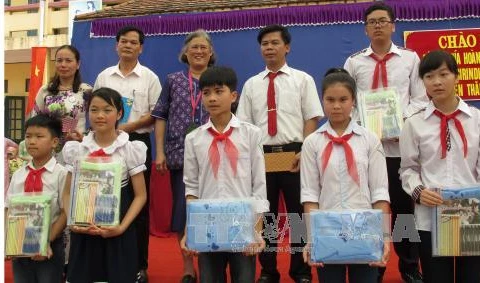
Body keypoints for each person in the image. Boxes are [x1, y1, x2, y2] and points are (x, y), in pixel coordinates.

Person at [343, 3, 428, 282]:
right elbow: (349, 103)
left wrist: (399, 121)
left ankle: (408, 265)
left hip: (402, 149)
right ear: (365, 28)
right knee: (372, 209)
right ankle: (373, 264)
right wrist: (367, 127)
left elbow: (419, 98)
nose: (378, 25)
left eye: (383, 21)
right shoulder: (354, 62)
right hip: (368, 149)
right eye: (372, 22)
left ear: (393, 25)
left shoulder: (410, 58)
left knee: (405, 211)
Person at [236, 24, 323, 283]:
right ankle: (268, 270)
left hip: (295, 155)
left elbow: (312, 118)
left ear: (287, 47)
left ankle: (301, 270)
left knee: (297, 216)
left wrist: (304, 152)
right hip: (263, 156)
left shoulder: (302, 79)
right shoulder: (252, 85)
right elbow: (245, 125)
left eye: (275, 43)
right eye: (265, 44)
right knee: (267, 217)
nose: (269, 47)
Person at [300, 68, 391, 283]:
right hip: (327, 230)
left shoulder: (369, 140)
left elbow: (379, 192)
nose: (337, 105)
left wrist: (384, 237)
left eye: (343, 99)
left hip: (364, 229)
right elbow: (310, 194)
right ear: (322, 100)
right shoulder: (312, 142)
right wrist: (312, 238)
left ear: (354, 101)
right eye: (330, 99)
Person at [180, 66, 269, 282]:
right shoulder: (194, 139)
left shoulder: (251, 134)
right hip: (207, 224)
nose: (212, 98)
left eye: (219, 91)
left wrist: (257, 230)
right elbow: (191, 187)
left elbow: (259, 185)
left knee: (244, 278)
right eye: (207, 92)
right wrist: (189, 231)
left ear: (234, 96)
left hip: (243, 224)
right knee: (210, 278)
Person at [399, 50, 480, 283]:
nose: (436, 81)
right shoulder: (414, 124)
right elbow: (408, 169)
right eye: (429, 76)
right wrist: (419, 192)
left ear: (457, 76)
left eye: (443, 74)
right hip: (430, 216)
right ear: (423, 82)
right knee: (437, 277)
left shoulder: (476, 120)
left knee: (472, 277)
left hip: (471, 214)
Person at [94, 26, 161, 283]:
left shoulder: (149, 78)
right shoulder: (104, 76)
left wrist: (125, 127)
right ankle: (105, 263)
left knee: (138, 206)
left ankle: (138, 266)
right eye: (124, 41)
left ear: (141, 48)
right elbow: (95, 109)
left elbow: (155, 115)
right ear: (116, 45)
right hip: (106, 142)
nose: (128, 46)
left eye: (134, 42)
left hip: (136, 142)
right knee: (105, 201)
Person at [62, 87, 147, 283]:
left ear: (119, 113)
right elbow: (67, 192)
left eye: (107, 110)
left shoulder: (129, 149)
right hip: (84, 233)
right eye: (94, 110)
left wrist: (121, 227)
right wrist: (73, 222)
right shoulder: (77, 150)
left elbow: (140, 195)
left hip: (118, 233)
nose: (100, 115)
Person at [151, 29, 214, 283]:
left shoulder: (218, 79)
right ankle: (188, 267)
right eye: (193, 47)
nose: (198, 51)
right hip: (179, 155)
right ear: (185, 53)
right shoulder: (173, 80)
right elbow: (160, 117)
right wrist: (160, 152)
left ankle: (211, 263)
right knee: (182, 213)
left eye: (203, 47)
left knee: (210, 210)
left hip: (213, 156)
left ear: (211, 54)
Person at [5, 114, 67, 283]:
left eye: (39, 136)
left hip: (50, 245)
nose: (32, 141)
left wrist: (46, 241)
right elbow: (8, 208)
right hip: (20, 242)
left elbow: (65, 212)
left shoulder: (61, 174)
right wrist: (8, 240)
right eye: (28, 136)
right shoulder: (19, 174)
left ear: (54, 142)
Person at [32, 45, 91, 148]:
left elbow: (97, 120)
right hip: (49, 148)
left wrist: (84, 137)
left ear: (78, 64)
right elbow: (35, 121)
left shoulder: (86, 91)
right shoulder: (45, 91)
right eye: (59, 60)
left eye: (68, 61)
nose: (63, 65)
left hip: (78, 147)